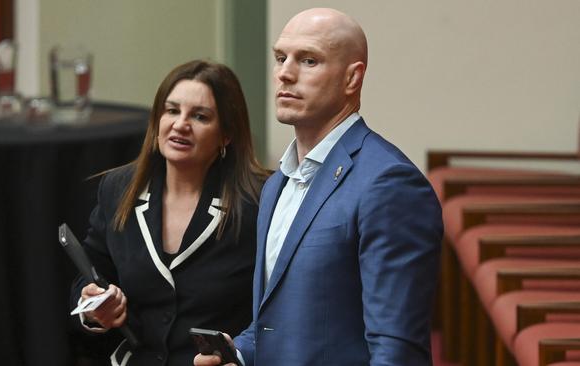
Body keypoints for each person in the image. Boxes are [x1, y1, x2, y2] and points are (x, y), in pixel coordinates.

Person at [194, 8, 443, 366]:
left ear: (351, 79)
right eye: (280, 58)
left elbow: (397, 350)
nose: (285, 73)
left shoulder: (388, 184)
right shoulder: (277, 182)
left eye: (308, 60)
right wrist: (240, 355)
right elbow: (276, 325)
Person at [71, 60, 269, 366]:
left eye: (200, 116)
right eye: (172, 110)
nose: (180, 124)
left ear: (226, 135)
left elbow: (279, 309)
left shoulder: (259, 201)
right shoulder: (118, 189)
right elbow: (90, 274)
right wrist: (92, 308)